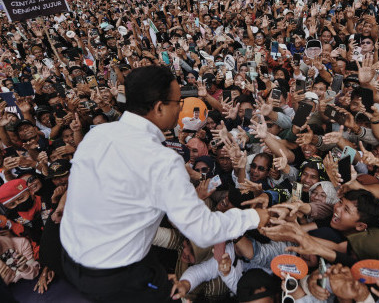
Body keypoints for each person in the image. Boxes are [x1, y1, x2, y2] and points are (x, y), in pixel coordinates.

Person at [60, 66, 270, 302]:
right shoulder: (161, 160)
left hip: (71, 256)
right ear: (159, 107)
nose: (181, 107)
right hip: (116, 274)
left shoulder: (98, 134)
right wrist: (255, 218)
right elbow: (203, 230)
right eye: (178, 101)